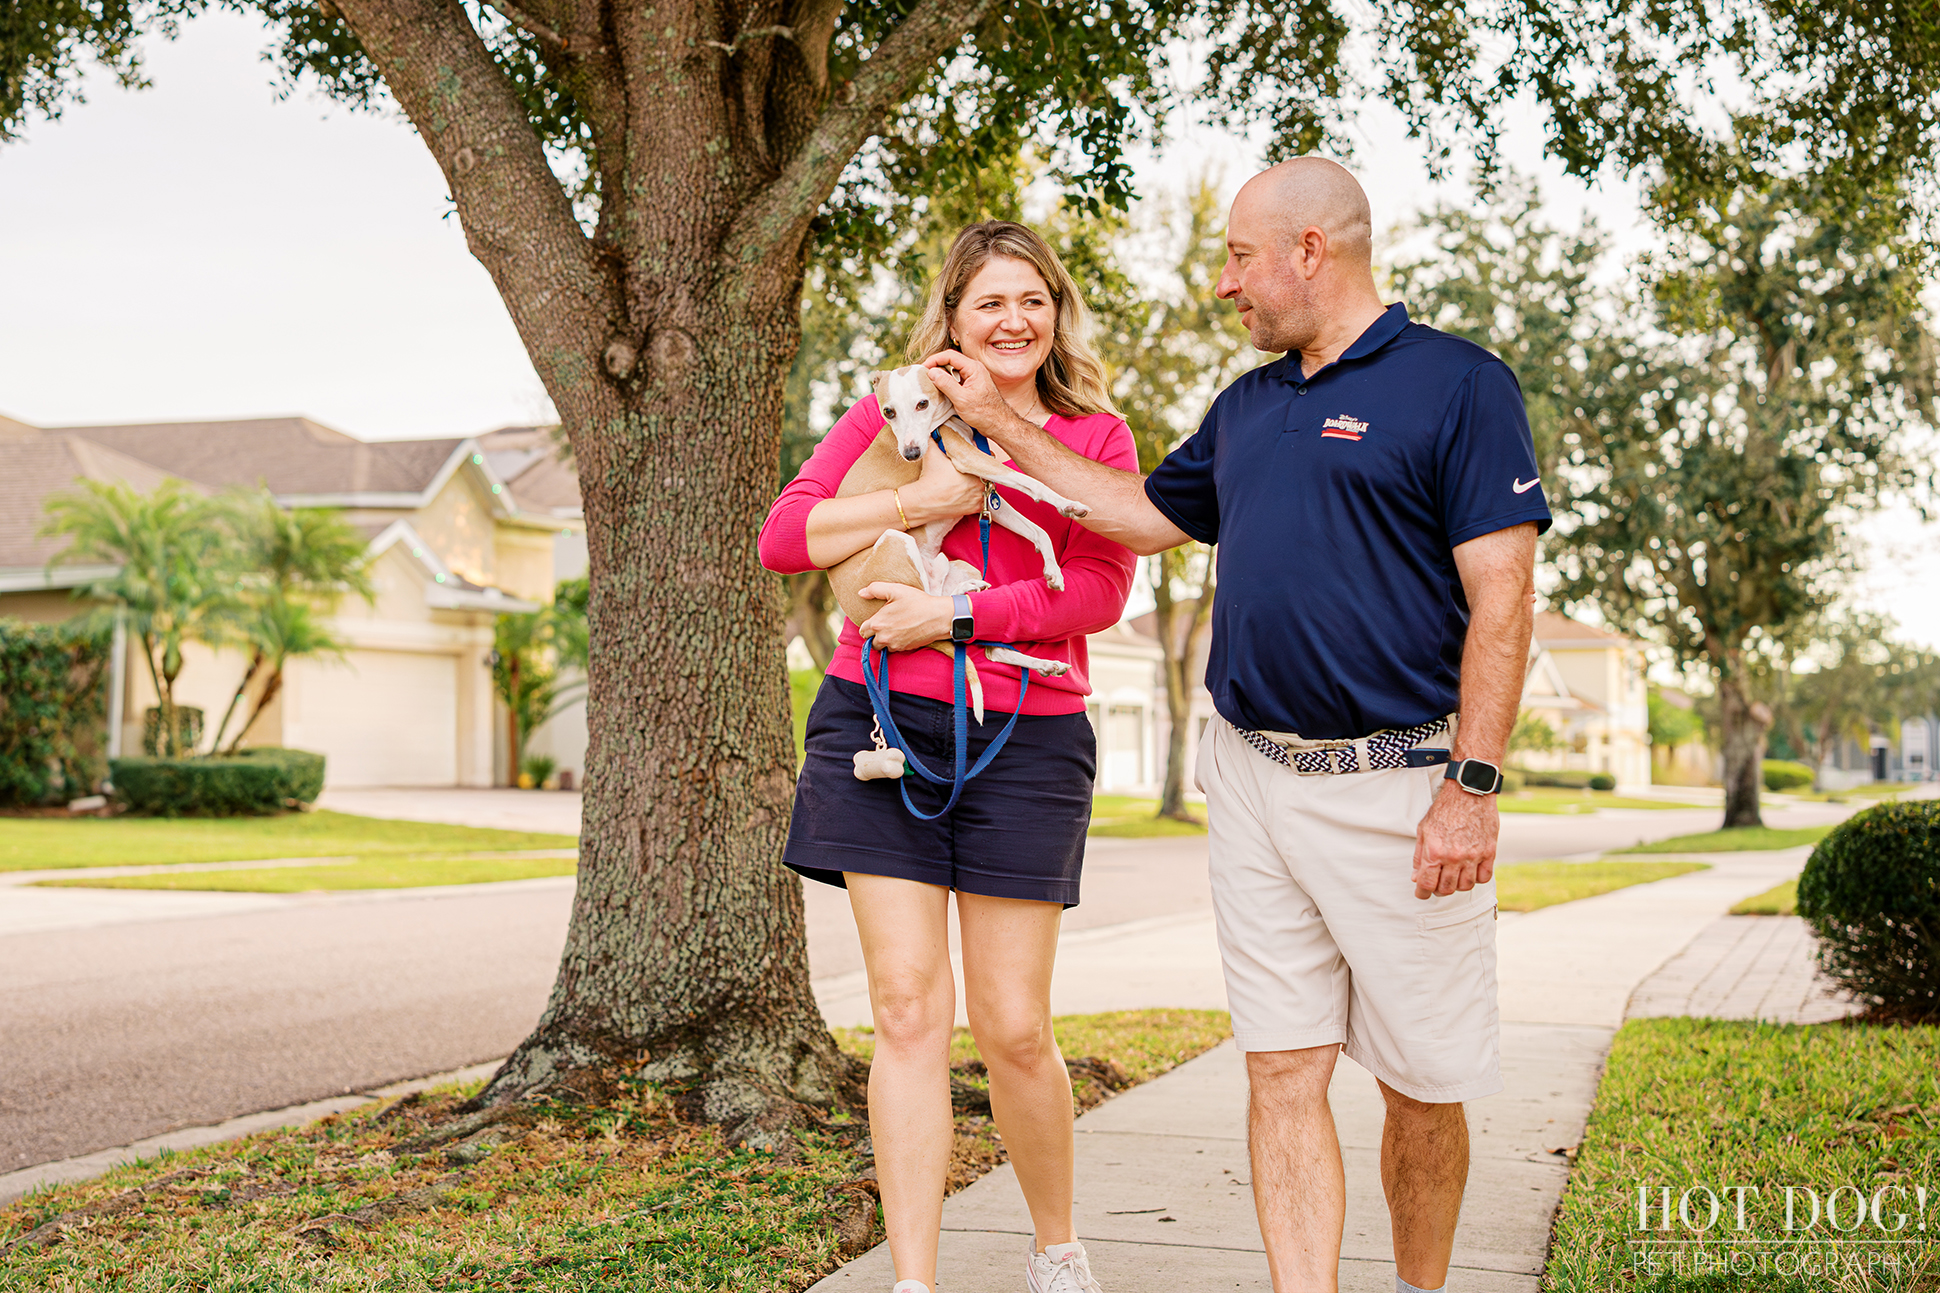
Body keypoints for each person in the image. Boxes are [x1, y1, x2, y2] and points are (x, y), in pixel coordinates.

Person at [922, 160, 1552, 1293]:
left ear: (1309, 249)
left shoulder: (1458, 386)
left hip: (1400, 783)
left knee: (1419, 1082)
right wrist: (989, 421)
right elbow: (1136, 513)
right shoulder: (1247, 405)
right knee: (1278, 1071)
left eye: (1236, 257)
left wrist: (1471, 783)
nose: (1224, 285)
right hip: (1252, 780)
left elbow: (1501, 599)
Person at [758, 220, 1138, 1293]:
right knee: (909, 1007)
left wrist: (956, 617)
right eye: (989, 303)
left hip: (1029, 733)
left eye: (1032, 301)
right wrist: (914, 503)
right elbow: (785, 539)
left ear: (1055, 314)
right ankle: (912, 1280)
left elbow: (1101, 592)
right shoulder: (895, 414)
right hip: (877, 724)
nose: (1012, 320)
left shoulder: (1092, 440)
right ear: (954, 318)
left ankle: (1055, 1249)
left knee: (1014, 1027)